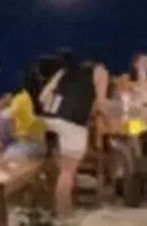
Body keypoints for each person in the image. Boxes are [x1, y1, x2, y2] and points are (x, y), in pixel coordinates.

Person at [36, 47, 105, 215]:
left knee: (63, 167)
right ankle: (63, 212)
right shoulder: (100, 72)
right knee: (68, 170)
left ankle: (61, 204)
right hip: (71, 123)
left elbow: (42, 98)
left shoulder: (64, 73)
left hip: (49, 119)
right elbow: (100, 104)